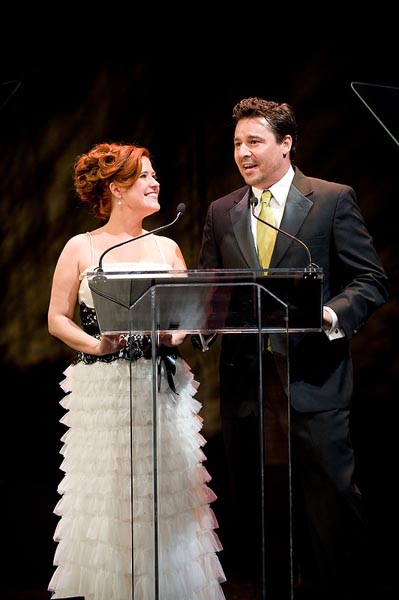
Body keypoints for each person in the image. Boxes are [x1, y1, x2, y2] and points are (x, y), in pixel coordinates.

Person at [195, 97, 388, 599]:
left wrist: (329, 313)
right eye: (237, 143)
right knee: (259, 508)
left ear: (286, 144)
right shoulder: (221, 211)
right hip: (246, 387)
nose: (243, 153)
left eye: (254, 142)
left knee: (331, 501)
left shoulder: (330, 199)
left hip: (313, 379)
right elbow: (210, 292)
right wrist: (195, 326)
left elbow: (370, 280)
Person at [47, 141, 226, 600]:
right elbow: (56, 318)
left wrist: (175, 335)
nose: (155, 182)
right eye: (145, 176)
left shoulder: (167, 247)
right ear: (116, 189)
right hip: (102, 386)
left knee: (164, 491)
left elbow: (187, 317)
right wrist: (96, 344)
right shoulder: (81, 247)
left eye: (154, 174)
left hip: (159, 385)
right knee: (110, 494)